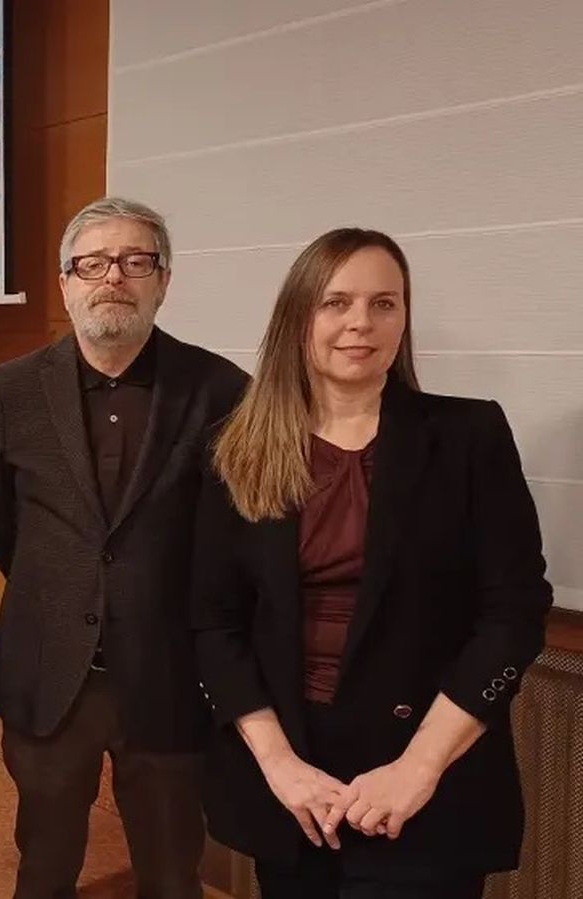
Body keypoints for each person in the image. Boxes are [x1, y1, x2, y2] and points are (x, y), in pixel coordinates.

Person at [191, 228, 552, 898]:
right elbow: (214, 625)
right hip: (294, 773)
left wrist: (418, 768)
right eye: (337, 302)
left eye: (384, 303)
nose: (361, 322)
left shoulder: (468, 436)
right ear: (300, 317)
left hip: (429, 767)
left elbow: (513, 613)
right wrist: (279, 764)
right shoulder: (235, 448)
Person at [0, 197, 248, 899]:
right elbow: (2, 522)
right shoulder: (12, 389)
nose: (112, 278)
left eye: (134, 261)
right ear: (66, 281)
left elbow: (234, 540)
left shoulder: (223, 390)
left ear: (164, 279)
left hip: (170, 675)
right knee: (44, 865)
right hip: (50, 673)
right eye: (91, 263)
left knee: (170, 871)